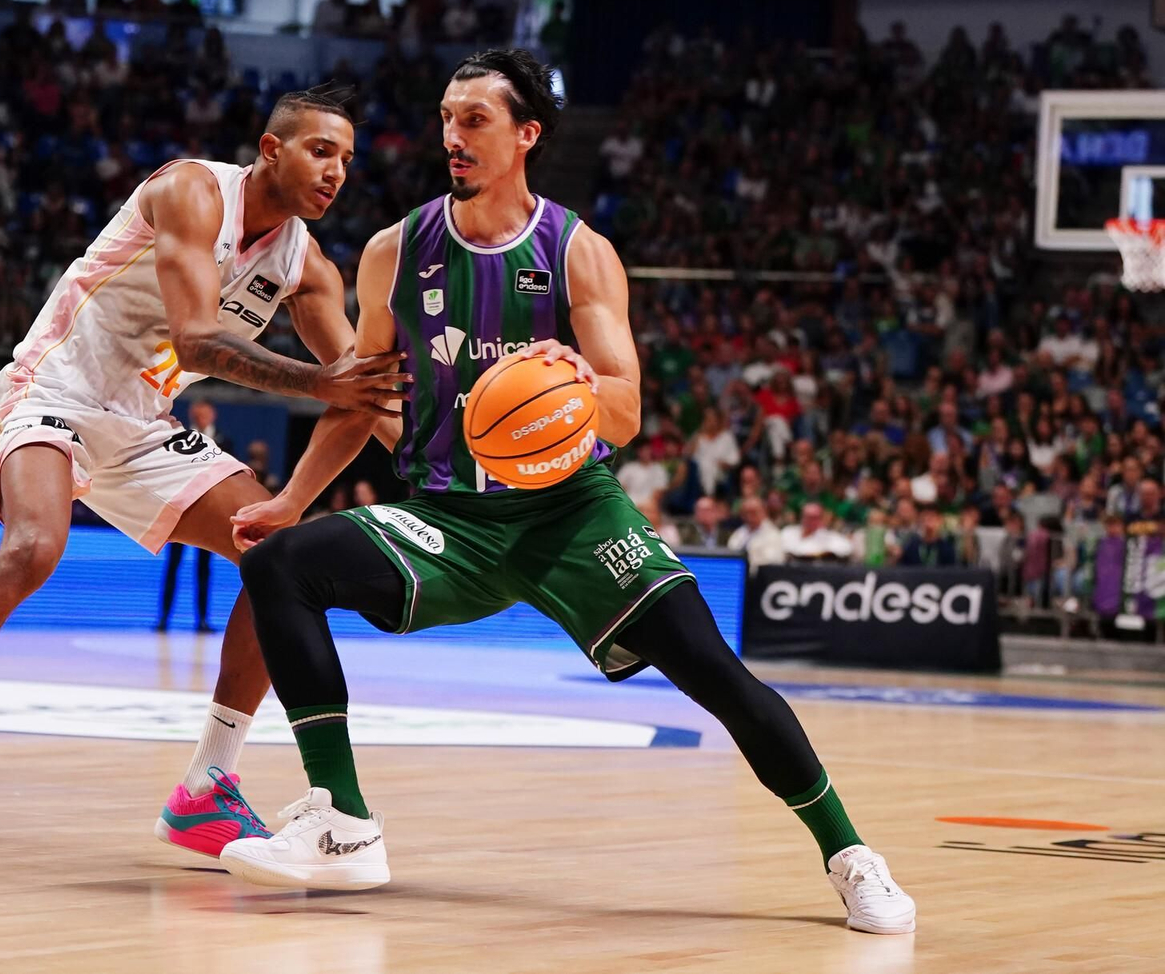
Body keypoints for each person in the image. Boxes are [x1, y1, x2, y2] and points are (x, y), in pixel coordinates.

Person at [221, 49, 914, 934]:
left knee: (718, 676)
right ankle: (345, 824)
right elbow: (364, 396)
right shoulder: (398, 250)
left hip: (574, 512)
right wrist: (293, 499)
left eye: (475, 120)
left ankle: (851, 856)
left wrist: (575, 381)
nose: (453, 137)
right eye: (446, 118)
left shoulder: (579, 253)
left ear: (527, 135)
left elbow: (623, 415)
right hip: (447, 517)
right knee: (281, 565)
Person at [0, 88, 407, 858]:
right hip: (53, 389)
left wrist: (445, 455)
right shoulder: (192, 192)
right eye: (321, 151)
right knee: (34, 546)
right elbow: (199, 344)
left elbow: (360, 386)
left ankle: (206, 789)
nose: (337, 172)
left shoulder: (310, 268)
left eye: (347, 160)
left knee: (279, 557)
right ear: (271, 150)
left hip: (143, 426)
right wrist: (318, 384)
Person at [155, 401, 232, 632]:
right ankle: (164, 618)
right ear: (192, 415)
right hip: (180, 511)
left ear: (213, 414)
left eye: (205, 413)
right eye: (198, 414)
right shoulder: (179, 437)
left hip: (209, 514)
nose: (201, 417)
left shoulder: (225, 441)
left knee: (204, 569)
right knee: (173, 566)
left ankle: (203, 619)